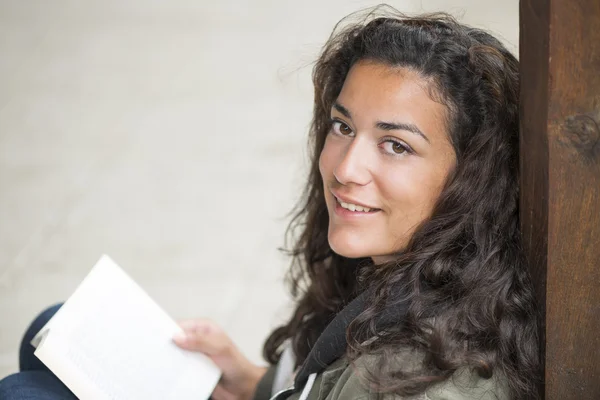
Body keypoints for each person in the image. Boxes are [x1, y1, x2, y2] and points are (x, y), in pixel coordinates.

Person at [0, 8, 540, 400]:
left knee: (23, 392)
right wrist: (250, 380)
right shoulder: (424, 277)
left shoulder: (425, 379)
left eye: (396, 145)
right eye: (342, 126)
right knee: (56, 327)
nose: (345, 169)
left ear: (472, 176)